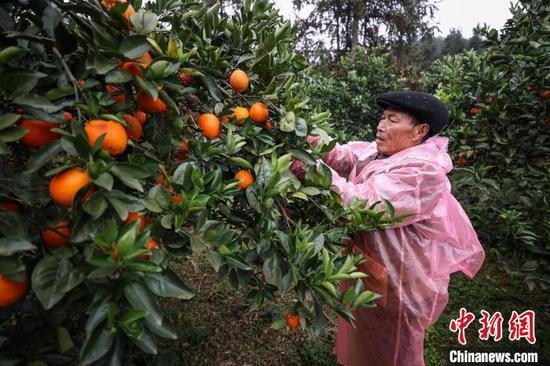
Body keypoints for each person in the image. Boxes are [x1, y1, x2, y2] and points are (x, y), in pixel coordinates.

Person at [294, 91, 485, 366]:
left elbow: (358, 206)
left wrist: (305, 163)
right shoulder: (379, 151)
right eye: (382, 118)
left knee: (396, 352)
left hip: (403, 285)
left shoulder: (423, 174)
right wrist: (302, 138)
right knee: (365, 341)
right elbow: (343, 154)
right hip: (375, 269)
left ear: (419, 131)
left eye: (392, 120)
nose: (381, 125)